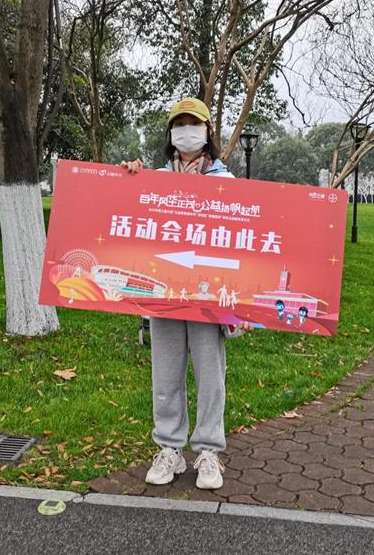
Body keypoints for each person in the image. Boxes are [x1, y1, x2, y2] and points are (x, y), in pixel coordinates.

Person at [121, 98, 251, 490]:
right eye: (179, 124)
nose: (186, 130)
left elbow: (242, 245)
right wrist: (129, 179)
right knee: (165, 375)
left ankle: (208, 451)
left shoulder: (227, 183)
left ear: (208, 131)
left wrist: (241, 305)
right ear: (171, 133)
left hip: (208, 297)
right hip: (164, 293)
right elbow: (129, 219)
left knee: (211, 377)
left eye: (193, 123)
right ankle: (170, 449)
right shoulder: (154, 180)